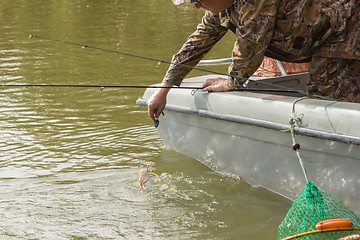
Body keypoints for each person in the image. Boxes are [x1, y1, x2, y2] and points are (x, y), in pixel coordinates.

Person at [147, 0, 360, 123]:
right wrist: (165, 88)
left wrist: (232, 82)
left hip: (344, 32)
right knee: (320, 103)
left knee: (330, 108)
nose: (197, 6)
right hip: (318, 42)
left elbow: (251, 43)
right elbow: (198, 41)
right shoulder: (221, 7)